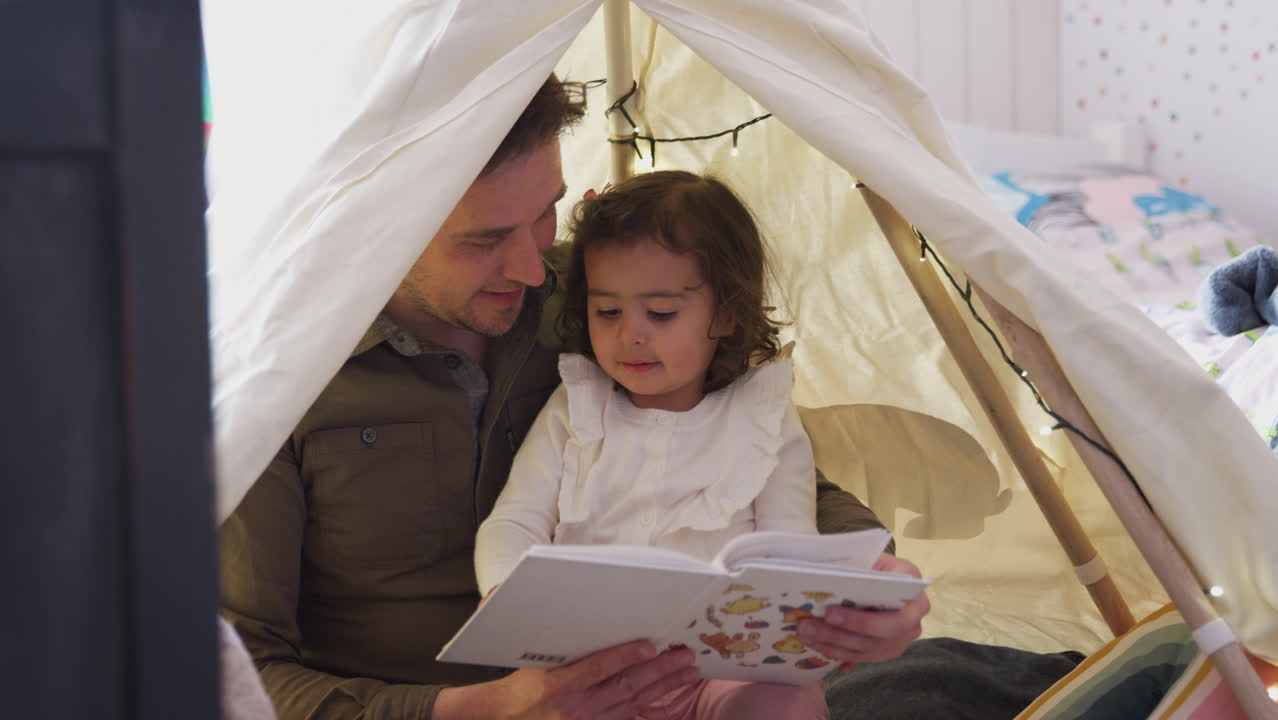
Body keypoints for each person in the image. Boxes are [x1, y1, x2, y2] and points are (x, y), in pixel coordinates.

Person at [219, 75, 927, 720]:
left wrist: (869, 584)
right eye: (486, 239)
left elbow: (743, 446)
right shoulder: (275, 379)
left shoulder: (595, 297)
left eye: (545, 213)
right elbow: (235, 670)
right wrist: (484, 710)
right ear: (380, 218)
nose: (533, 268)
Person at [476, 169, 843, 718]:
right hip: (587, 672)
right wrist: (506, 591)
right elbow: (514, 519)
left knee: (782, 703)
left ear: (727, 313)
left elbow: (789, 552)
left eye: (662, 313)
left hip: (722, 672)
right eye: (608, 311)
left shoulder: (762, 419)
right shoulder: (576, 407)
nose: (632, 334)